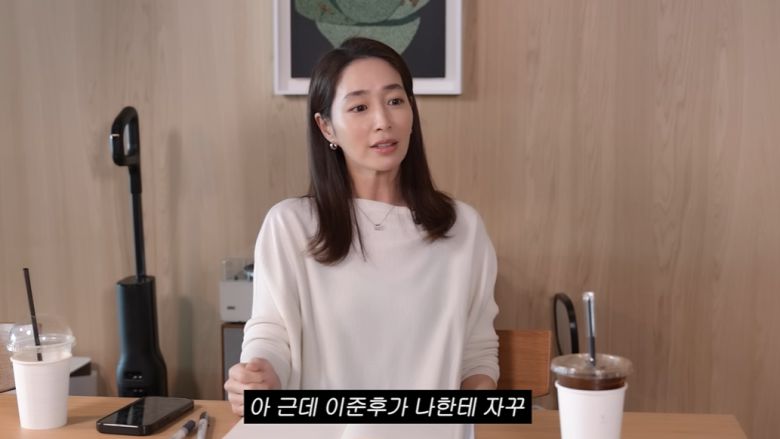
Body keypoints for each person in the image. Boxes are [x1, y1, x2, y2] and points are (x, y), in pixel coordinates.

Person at [224, 37, 499, 415]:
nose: (383, 121)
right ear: (326, 127)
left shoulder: (463, 227)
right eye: (359, 107)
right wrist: (258, 376)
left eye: (395, 101)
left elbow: (477, 355)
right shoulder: (290, 225)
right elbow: (271, 336)